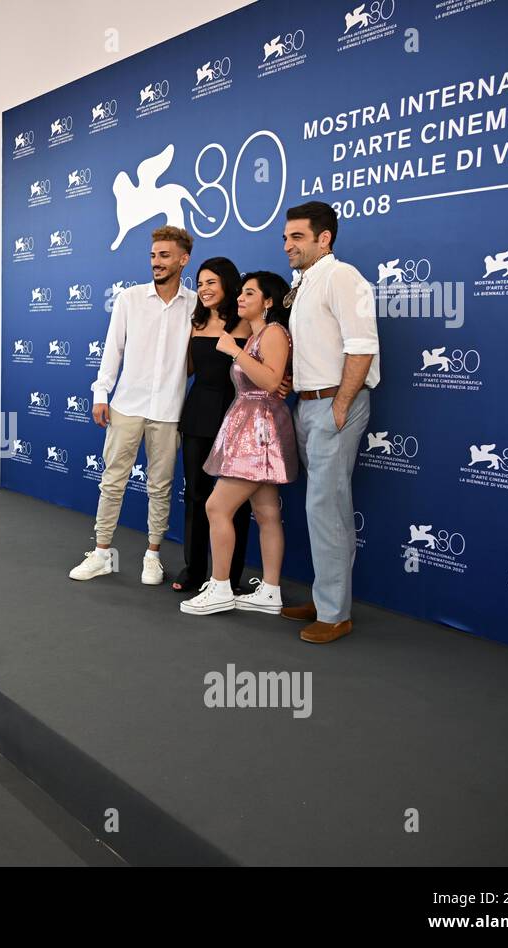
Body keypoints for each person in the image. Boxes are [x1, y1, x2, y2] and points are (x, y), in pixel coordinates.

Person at [69, 225, 196, 585]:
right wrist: (100, 392)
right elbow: (114, 350)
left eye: (165, 256)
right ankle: (101, 553)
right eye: (154, 255)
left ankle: (152, 556)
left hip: (169, 410)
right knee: (112, 482)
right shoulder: (129, 299)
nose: (156, 262)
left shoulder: (196, 304)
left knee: (160, 486)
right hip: (127, 405)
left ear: (183, 260)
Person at [279, 201, 380, 643]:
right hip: (309, 404)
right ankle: (325, 601)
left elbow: (362, 347)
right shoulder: (303, 283)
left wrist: (340, 405)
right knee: (321, 507)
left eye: (297, 237)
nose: (288, 245)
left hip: (334, 403)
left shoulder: (342, 276)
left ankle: (336, 613)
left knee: (328, 508)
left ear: (325, 238)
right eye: (285, 237)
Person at [181, 272, 298, 615]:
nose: (241, 298)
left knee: (217, 507)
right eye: (241, 293)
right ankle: (271, 591)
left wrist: (233, 350)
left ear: (269, 301)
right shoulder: (258, 335)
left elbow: (271, 380)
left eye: (250, 293)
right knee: (266, 512)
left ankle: (219, 588)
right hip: (252, 424)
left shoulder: (273, 332)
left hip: (258, 429)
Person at [173, 257, 253, 595]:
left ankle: (229, 577)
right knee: (195, 494)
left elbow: (264, 365)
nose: (204, 289)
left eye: (211, 283)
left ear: (228, 284)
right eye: (200, 283)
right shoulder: (195, 322)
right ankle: (194, 570)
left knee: (236, 501)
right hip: (197, 413)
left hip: (235, 412)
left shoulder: (246, 323)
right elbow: (185, 369)